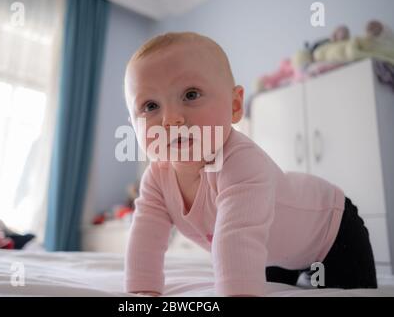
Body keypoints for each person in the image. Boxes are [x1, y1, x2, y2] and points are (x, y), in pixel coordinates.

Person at [123, 32, 377, 296]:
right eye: (150, 105)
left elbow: (237, 238)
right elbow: (145, 241)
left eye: (191, 94)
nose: (171, 120)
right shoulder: (156, 180)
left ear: (234, 105)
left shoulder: (240, 161)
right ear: (133, 124)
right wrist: (143, 294)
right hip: (273, 251)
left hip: (332, 231)